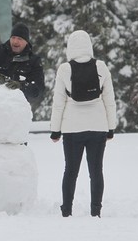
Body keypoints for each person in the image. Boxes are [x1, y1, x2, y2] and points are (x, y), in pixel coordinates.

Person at [49, 30, 117, 218]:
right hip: (98, 127)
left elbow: (59, 102)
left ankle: (67, 210)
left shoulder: (65, 69)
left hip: (72, 129)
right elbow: (109, 100)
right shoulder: (101, 67)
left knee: (70, 170)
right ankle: (96, 210)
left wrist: (55, 131)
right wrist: (111, 127)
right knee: (96, 171)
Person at [0, 22, 45, 104]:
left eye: (19, 39)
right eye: (13, 37)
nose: (15, 42)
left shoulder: (34, 61)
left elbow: (38, 90)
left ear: (26, 42)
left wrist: (21, 86)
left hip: (16, 108)